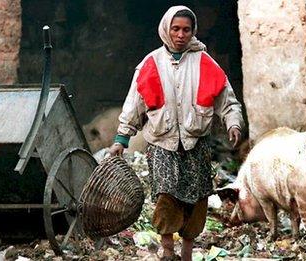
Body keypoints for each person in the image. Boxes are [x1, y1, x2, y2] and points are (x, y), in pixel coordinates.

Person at [109, 5, 244, 261]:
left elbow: (227, 100)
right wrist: (121, 138)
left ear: (193, 31)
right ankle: (168, 248)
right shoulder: (151, 64)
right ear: (166, 29)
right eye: (176, 29)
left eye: (186, 29)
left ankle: (187, 252)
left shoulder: (204, 62)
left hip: (196, 143)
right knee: (166, 194)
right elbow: (134, 104)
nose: (181, 34)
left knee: (197, 197)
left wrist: (233, 123)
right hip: (162, 143)